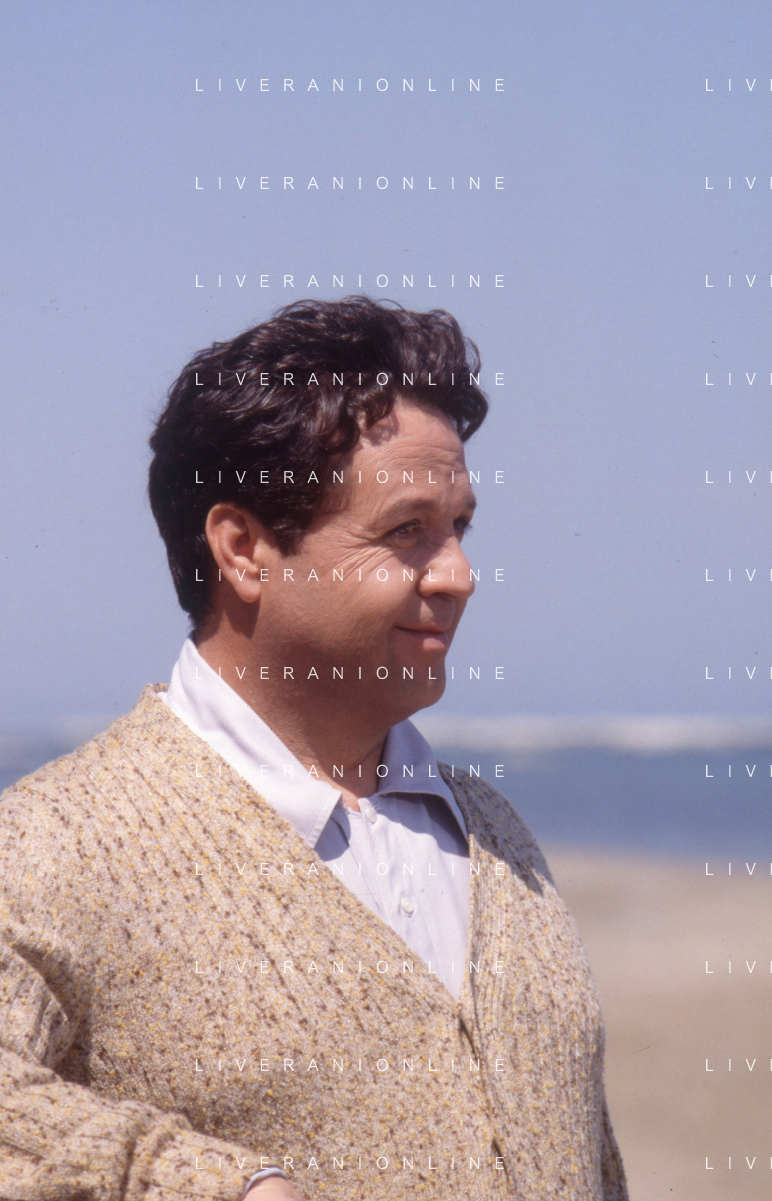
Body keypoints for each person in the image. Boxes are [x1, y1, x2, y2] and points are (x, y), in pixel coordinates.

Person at [0, 297, 628, 1201]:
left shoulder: (497, 835)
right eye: (407, 531)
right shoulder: (55, 843)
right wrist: (217, 1186)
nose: (459, 574)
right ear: (244, 549)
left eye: (459, 527)